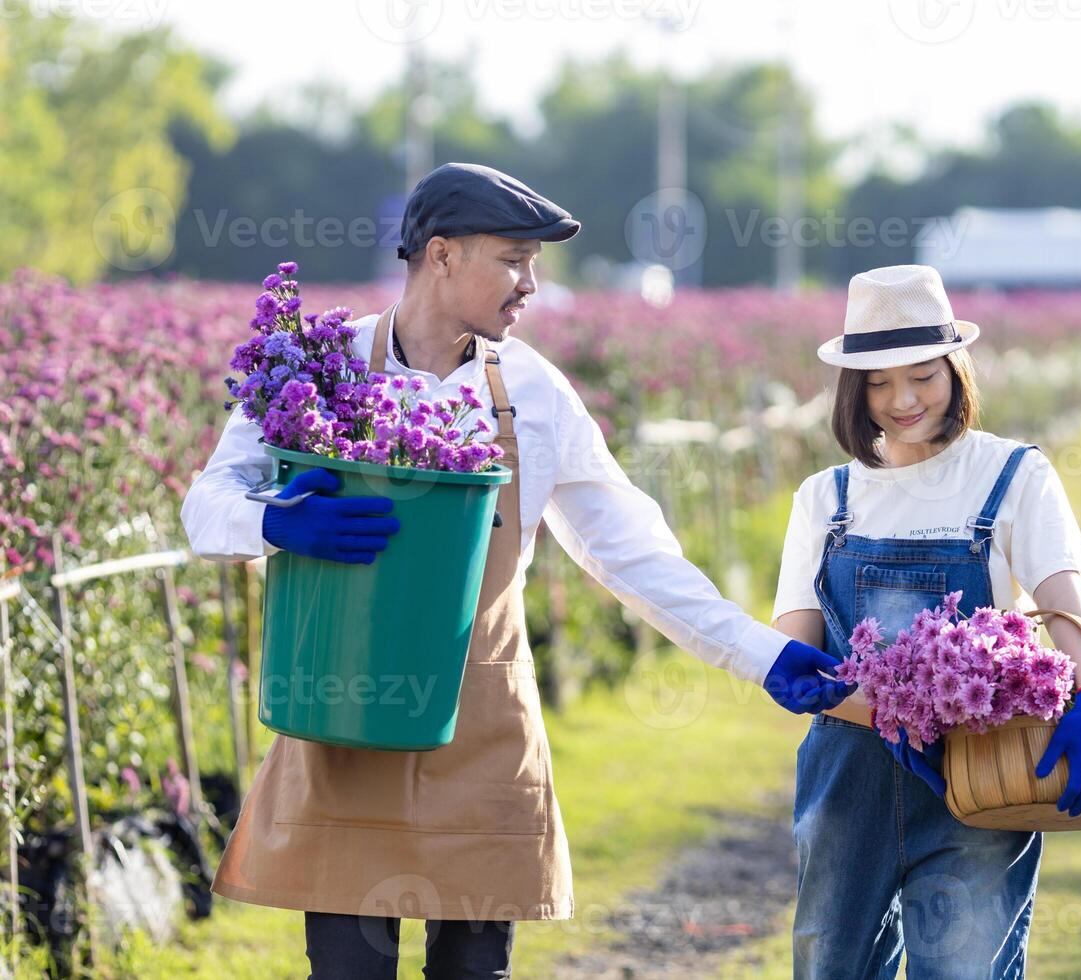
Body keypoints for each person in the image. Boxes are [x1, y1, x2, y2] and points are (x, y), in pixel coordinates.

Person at [180, 162, 852, 979]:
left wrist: (761, 653)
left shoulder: (533, 390)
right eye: (513, 260)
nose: (531, 285)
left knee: (475, 972)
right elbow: (204, 508)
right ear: (441, 255)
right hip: (346, 712)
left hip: (483, 726)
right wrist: (277, 523)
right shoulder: (318, 366)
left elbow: (629, 551)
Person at [770, 265, 1081, 978]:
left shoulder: (1013, 474)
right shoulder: (824, 498)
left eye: (923, 376)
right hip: (849, 780)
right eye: (878, 382)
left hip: (983, 772)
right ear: (853, 390)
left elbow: (1063, 605)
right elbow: (797, 647)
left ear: (956, 372)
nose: (903, 400)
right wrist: (832, 694)